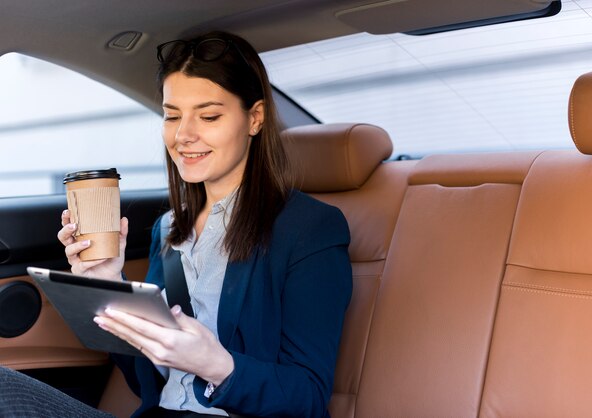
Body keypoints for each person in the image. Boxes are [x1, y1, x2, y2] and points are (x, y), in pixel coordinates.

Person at [0, 31, 351, 417]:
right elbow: (147, 383)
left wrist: (216, 365)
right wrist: (108, 282)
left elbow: (308, 397)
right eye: (172, 115)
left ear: (255, 118)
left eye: (209, 115)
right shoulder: (168, 228)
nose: (183, 135)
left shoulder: (310, 229)